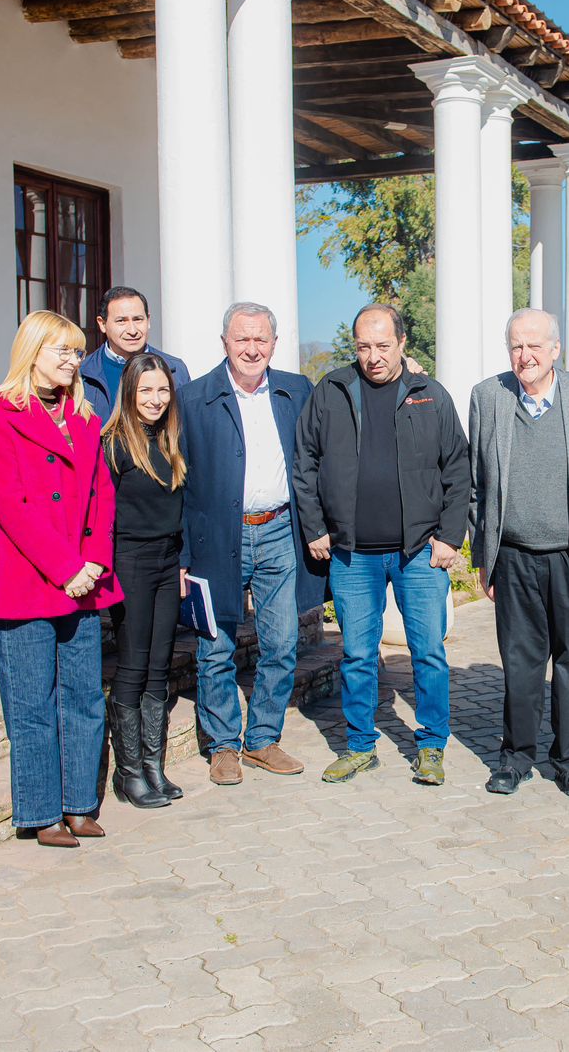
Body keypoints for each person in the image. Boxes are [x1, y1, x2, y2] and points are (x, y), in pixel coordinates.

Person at [294, 303, 471, 786]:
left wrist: (450, 537)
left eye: (382, 345)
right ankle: (359, 746)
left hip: (418, 552)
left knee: (428, 652)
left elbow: (457, 468)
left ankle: (431, 744)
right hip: (353, 554)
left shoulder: (429, 395)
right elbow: (304, 463)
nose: (373, 356)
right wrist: (315, 527)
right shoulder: (330, 391)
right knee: (356, 653)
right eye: (363, 346)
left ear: (402, 344)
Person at [0, 310, 121, 847]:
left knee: (84, 696)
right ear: (32, 351)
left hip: (85, 580)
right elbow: (10, 504)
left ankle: (80, 803)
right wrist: (65, 568)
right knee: (32, 702)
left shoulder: (84, 416)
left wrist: (93, 564)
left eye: (76, 351)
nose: (71, 360)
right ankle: (41, 812)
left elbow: (101, 496)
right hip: (28, 580)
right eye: (61, 350)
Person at [468, 308, 569, 798]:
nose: (524, 355)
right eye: (516, 345)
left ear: (556, 349)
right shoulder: (488, 397)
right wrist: (482, 557)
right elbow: (476, 485)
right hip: (512, 558)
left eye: (535, 345)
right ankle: (515, 756)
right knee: (520, 661)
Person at [179, 302, 324, 785]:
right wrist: (182, 554)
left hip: (281, 530)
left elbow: (324, 444)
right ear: (224, 342)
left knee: (281, 642)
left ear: (274, 344)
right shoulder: (193, 398)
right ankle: (223, 746)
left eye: (261, 339)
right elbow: (177, 481)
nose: (251, 349)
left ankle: (262, 738)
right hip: (217, 536)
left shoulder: (296, 390)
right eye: (242, 339)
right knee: (216, 644)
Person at [101, 353, 187, 808]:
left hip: (167, 561)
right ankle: (128, 773)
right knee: (132, 666)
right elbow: (101, 516)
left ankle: (154, 767)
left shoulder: (172, 439)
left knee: (160, 664)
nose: (155, 400)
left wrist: (183, 562)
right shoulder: (113, 443)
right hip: (129, 561)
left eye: (161, 390)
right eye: (145, 391)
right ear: (130, 394)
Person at [80, 286, 191, 423]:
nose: (132, 330)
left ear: (148, 320)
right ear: (102, 324)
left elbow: (186, 425)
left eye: (138, 319)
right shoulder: (83, 374)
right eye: (121, 321)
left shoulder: (174, 369)